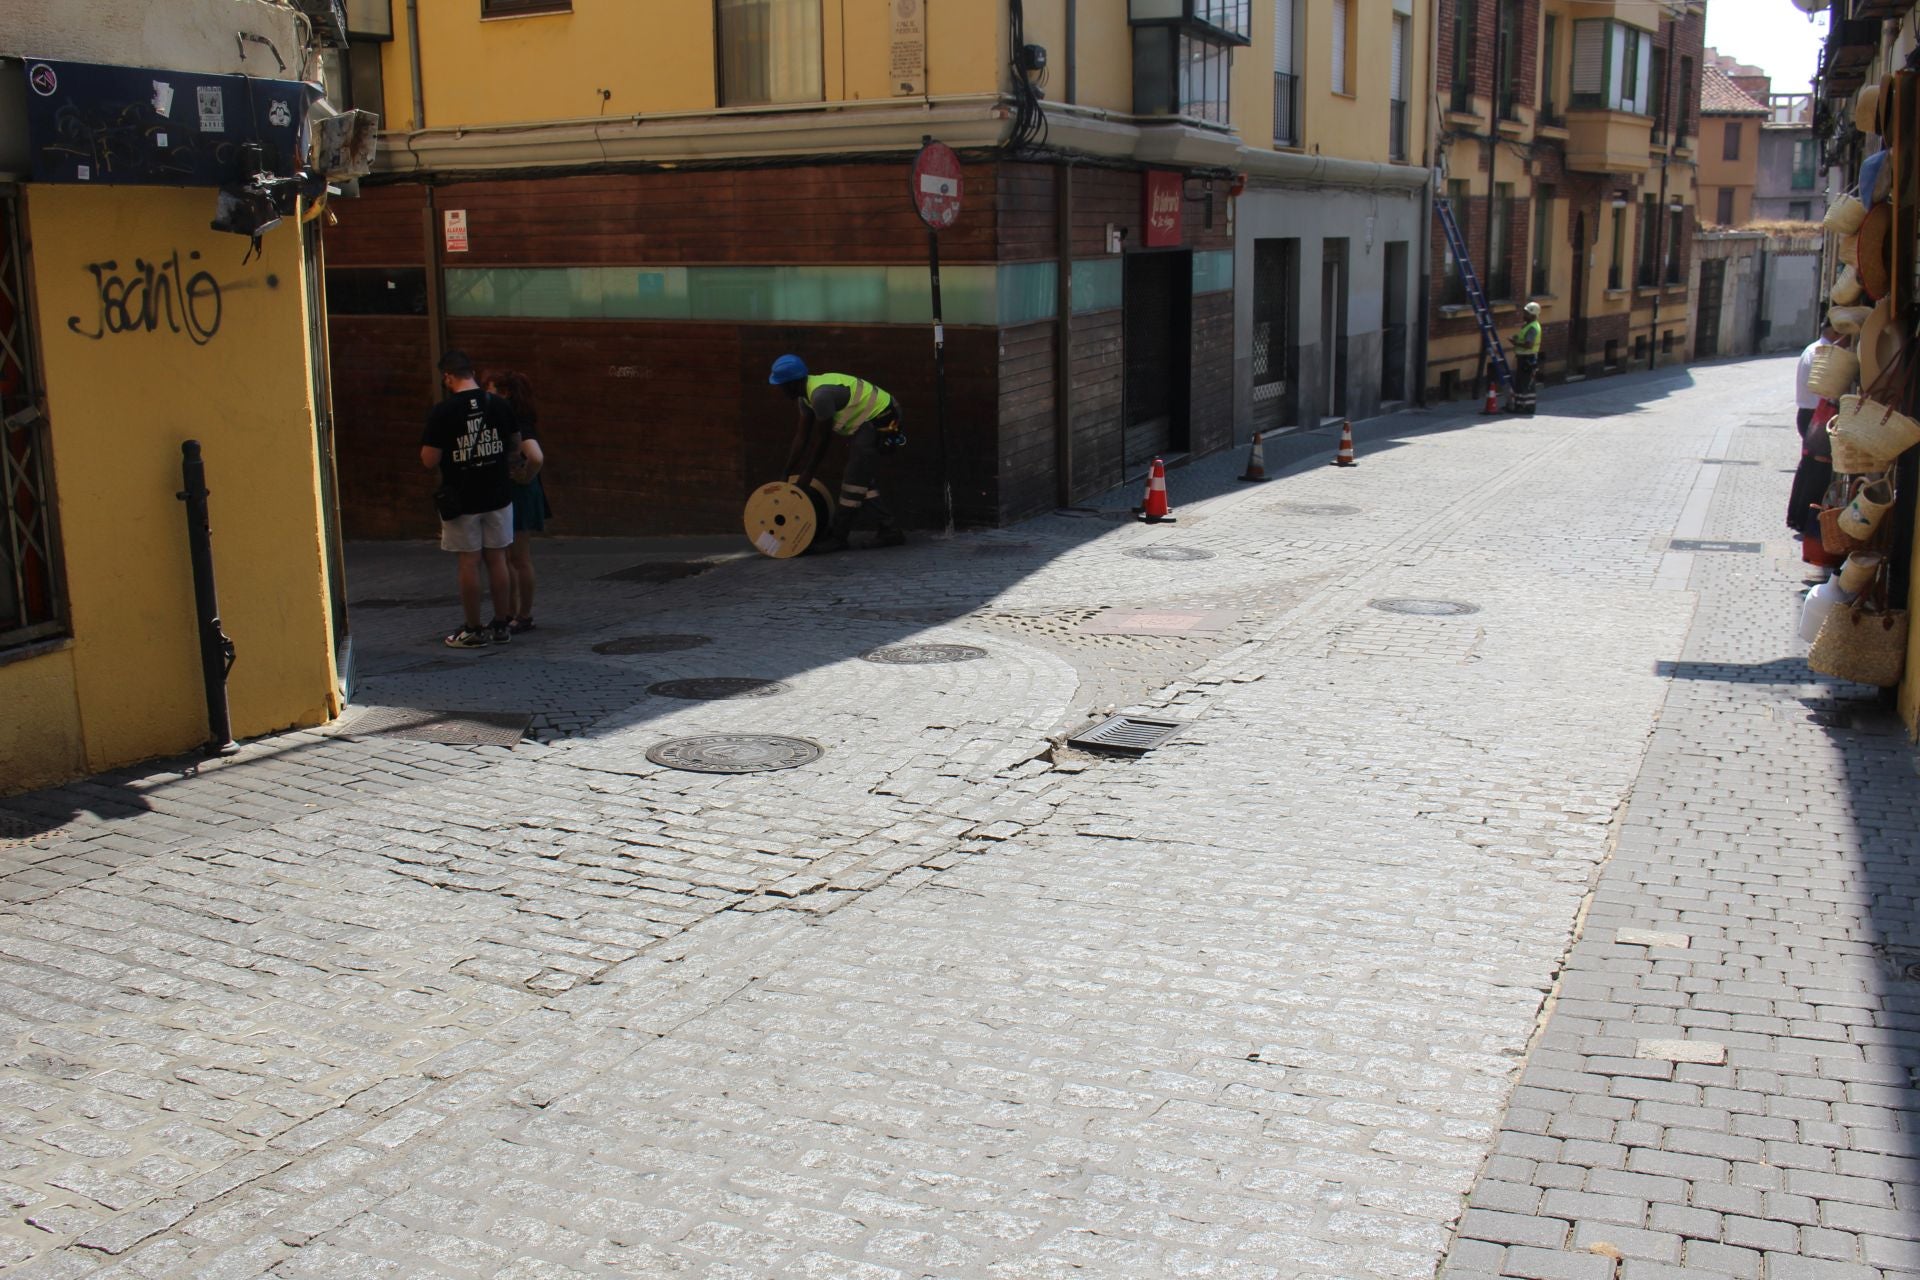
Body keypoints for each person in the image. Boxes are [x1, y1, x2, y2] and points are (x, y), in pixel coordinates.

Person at [421, 349, 520, 648]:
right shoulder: (499, 404)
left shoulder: (443, 411)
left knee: (469, 562)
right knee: (498, 558)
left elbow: (429, 459)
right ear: (472, 373)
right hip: (498, 493)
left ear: (447, 377)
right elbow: (515, 445)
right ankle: (502, 624)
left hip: (462, 498)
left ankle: (473, 629)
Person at [769, 353, 906, 552]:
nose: (780, 390)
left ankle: (838, 537)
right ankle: (890, 529)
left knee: (853, 479)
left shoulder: (820, 396)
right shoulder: (805, 398)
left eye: (781, 385)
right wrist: (786, 472)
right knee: (861, 478)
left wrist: (808, 474)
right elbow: (801, 437)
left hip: (882, 417)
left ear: (792, 384)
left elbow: (823, 440)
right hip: (867, 423)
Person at [486, 369, 548, 634]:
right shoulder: (514, 418)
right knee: (511, 555)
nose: (486, 395)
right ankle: (512, 613)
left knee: (518, 557)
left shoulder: (518, 422)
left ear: (505, 393)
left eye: (489, 390)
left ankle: (522, 615)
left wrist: (525, 476)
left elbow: (536, 456)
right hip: (516, 491)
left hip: (519, 492)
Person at [1787, 318, 1843, 541]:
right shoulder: (1822, 353)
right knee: (1817, 470)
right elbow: (1824, 390)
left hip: (1810, 414)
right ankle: (1805, 520)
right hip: (1817, 415)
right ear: (1834, 331)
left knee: (1808, 467)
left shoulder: (1814, 349)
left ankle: (1797, 517)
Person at [1510, 301, 1543, 416]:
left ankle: (1527, 407)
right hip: (1525, 358)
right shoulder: (1529, 325)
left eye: (1527, 313)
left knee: (1525, 383)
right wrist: (1518, 339)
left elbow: (1529, 344)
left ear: (1533, 315)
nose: (1524, 315)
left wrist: (1515, 343)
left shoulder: (1532, 328)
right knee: (1521, 382)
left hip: (1527, 359)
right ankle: (1519, 405)